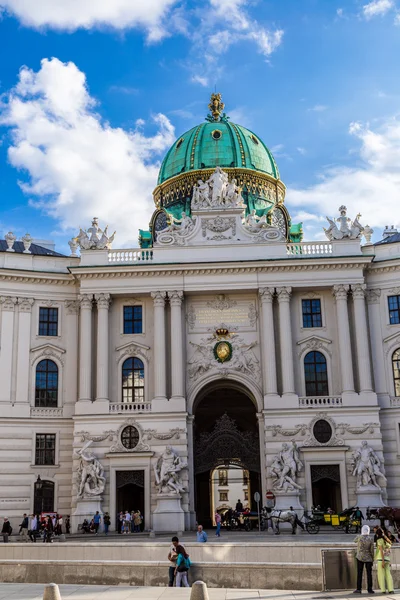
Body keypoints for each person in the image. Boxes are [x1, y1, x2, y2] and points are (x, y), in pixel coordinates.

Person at [353, 525, 374, 594]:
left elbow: (354, 541)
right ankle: (370, 589)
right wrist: (372, 558)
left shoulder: (359, 537)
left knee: (359, 573)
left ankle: (359, 589)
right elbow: (372, 550)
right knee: (369, 574)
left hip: (360, 557)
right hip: (368, 558)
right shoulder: (371, 539)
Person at [375, 527, 394, 594]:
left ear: (377, 534)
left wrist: (383, 561)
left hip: (381, 559)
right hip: (387, 559)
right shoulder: (387, 540)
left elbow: (381, 552)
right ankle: (391, 589)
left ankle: (383, 590)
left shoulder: (379, 540)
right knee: (388, 575)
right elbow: (388, 551)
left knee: (381, 575)